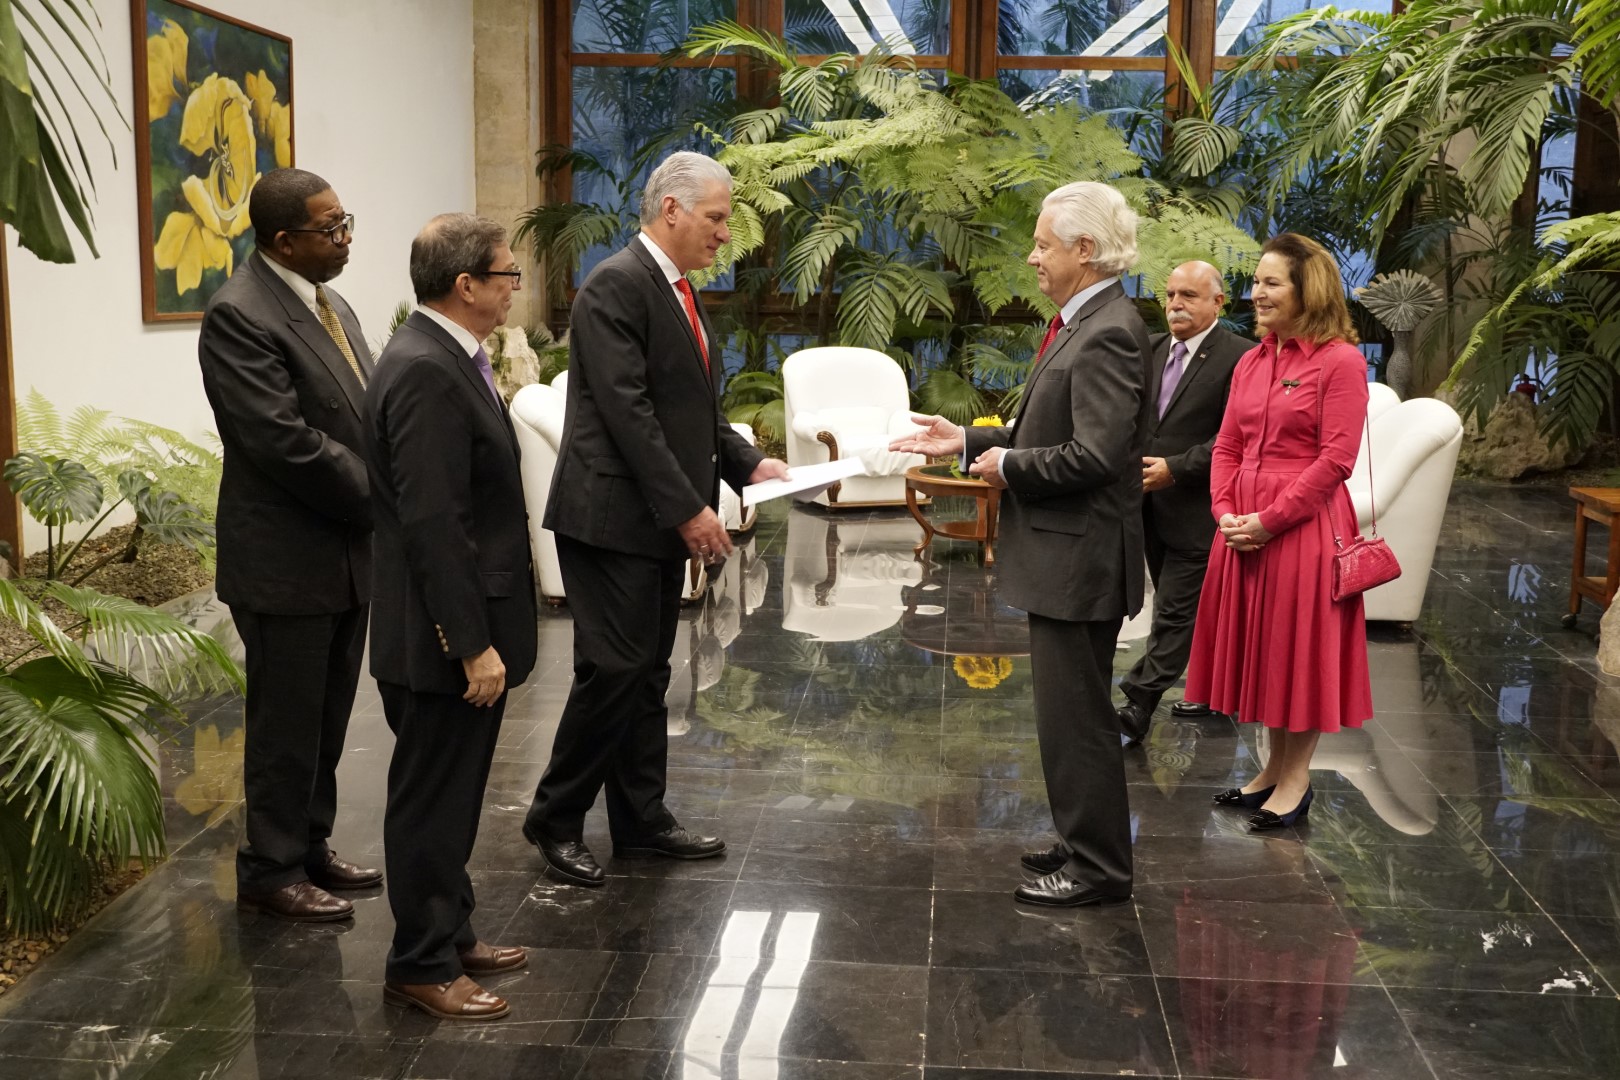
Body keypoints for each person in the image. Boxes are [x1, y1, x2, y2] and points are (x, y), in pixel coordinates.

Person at [523, 151, 789, 888]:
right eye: (715, 217)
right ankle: (555, 816)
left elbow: (690, 409)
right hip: (609, 519)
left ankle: (641, 821)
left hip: (645, 520)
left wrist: (746, 463)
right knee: (613, 670)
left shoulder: (674, 290)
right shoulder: (615, 287)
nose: (725, 233)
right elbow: (629, 415)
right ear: (670, 210)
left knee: (645, 676)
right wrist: (690, 512)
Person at [891, 181, 1151, 907]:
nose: (1032, 256)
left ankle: (1099, 867)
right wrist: (970, 438)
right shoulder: (1082, 321)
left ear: (1085, 250)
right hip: (1065, 556)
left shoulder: (1108, 331)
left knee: (1080, 720)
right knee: (1067, 716)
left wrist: (1007, 466)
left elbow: (1095, 456)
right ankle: (1081, 836)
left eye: (1043, 243)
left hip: (1081, 559)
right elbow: (1053, 429)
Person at [366, 213, 537, 1020]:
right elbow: (435, 521)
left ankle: (453, 930)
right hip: (438, 637)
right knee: (432, 799)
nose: (513, 289)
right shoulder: (426, 369)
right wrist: (471, 644)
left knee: (454, 794)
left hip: (450, 625)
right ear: (465, 285)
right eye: (506, 275)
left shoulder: (445, 355)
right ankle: (420, 962)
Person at [198, 168, 379, 923]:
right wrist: (383, 493)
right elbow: (283, 443)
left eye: (344, 222)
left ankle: (310, 842)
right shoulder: (239, 315)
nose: (344, 239)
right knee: (285, 722)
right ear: (283, 241)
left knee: (329, 713)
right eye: (329, 228)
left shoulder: (329, 301)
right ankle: (270, 870)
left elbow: (361, 407)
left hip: (343, 555)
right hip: (285, 559)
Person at [1184, 232, 1374, 831]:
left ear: (1306, 289)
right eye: (1256, 282)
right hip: (1240, 523)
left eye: (1271, 283)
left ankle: (1295, 781)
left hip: (1302, 527)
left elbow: (1336, 460)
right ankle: (1270, 771)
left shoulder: (1341, 360)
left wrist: (1269, 520)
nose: (1255, 294)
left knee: (1300, 653)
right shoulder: (1252, 359)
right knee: (1266, 652)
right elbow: (1228, 443)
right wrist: (1224, 512)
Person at [1116, 262, 1251, 746]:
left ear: (1218, 302)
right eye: (1170, 294)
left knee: (1175, 610)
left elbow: (1238, 439)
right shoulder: (1147, 350)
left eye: (1190, 295)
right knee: (1188, 609)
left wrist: (1177, 467)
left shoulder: (1242, 358)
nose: (1175, 304)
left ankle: (1137, 702)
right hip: (1145, 507)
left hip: (1202, 508)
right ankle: (1213, 691)